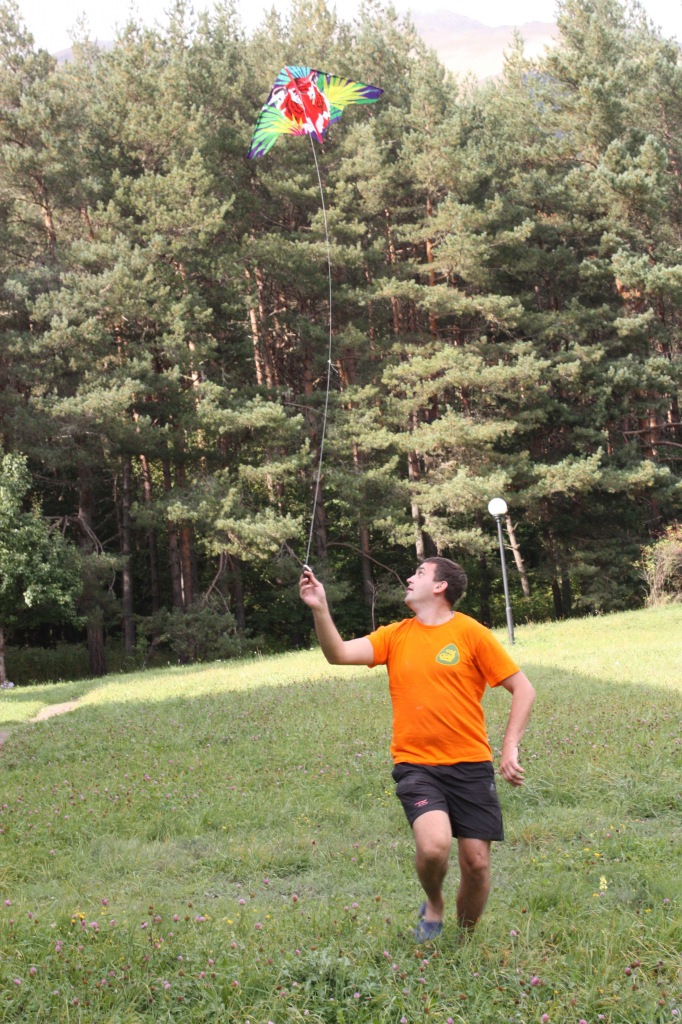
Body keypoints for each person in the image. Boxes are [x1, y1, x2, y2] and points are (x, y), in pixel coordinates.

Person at [299, 555, 535, 940]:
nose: (409, 578)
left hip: (471, 764)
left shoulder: (471, 633)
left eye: (420, 573)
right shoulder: (394, 636)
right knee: (434, 847)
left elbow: (523, 689)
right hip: (417, 766)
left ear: (441, 586)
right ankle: (435, 903)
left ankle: (464, 940)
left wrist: (509, 749)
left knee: (476, 864)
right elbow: (337, 654)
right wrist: (320, 607)